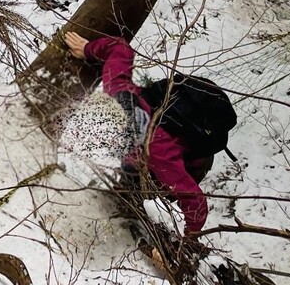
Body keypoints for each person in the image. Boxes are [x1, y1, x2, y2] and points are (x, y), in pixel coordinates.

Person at [64, 30, 210, 271]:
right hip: (155, 137)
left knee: (166, 188)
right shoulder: (117, 88)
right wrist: (89, 49)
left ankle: (144, 204)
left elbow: (195, 201)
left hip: (195, 156)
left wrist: (188, 241)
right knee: (129, 170)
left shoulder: (159, 152)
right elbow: (120, 47)